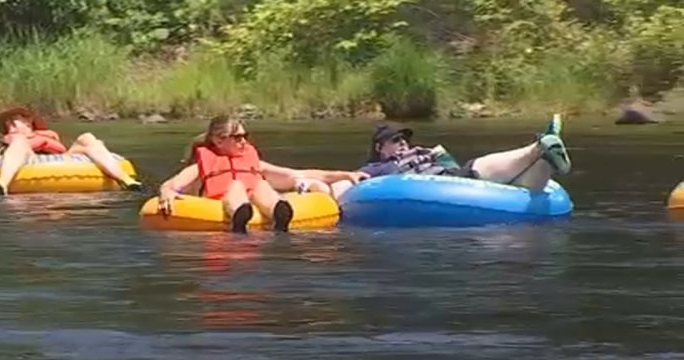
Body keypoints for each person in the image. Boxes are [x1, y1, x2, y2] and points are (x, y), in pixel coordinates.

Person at [156, 115, 367, 233]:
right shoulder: (199, 167)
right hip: (220, 204)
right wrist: (166, 193)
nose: (244, 141)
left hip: (256, 200)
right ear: (219, 140)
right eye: (237, 137)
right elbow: (170, 185)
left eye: (245, 136)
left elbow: (295, 174)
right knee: (237, 186)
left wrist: (345, 175)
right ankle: (239, 214)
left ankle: (278, 211)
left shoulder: (253, 163)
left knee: (260, 184)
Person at [0, 107, 142, 196]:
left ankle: (126, 180)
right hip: (28, 159)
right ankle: (2, 184)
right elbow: (38, 144)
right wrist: (41, 140)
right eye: (11, 122)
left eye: (21, 119)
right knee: (19, 142)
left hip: (60, 160)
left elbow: (59, 149)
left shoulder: (47, 134)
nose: (14, 124)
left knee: (87, 137)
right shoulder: (12, 138)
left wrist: (43, 140)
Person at [360, 115, 571, 191]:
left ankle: (545, 152)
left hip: (451, 179)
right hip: (432, 186)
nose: (403, 143)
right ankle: (542, 148)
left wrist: (440, 156)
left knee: (521, 184)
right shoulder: (376, 168)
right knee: (473, 170)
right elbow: (353, 180)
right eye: (396, 140)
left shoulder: (424, 152)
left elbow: (452, 169)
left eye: (405, 139)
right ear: (380, 148)